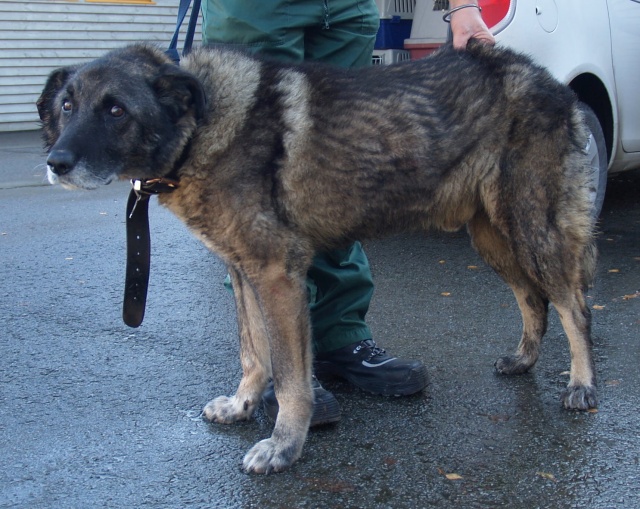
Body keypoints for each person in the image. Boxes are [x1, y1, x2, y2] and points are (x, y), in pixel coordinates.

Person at [201, 0, 494, 426]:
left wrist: (463, 6)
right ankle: (271, 368)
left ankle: (340, 337)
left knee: (339, 175)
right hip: (254, 9)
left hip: (343, 8)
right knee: (254, 193)